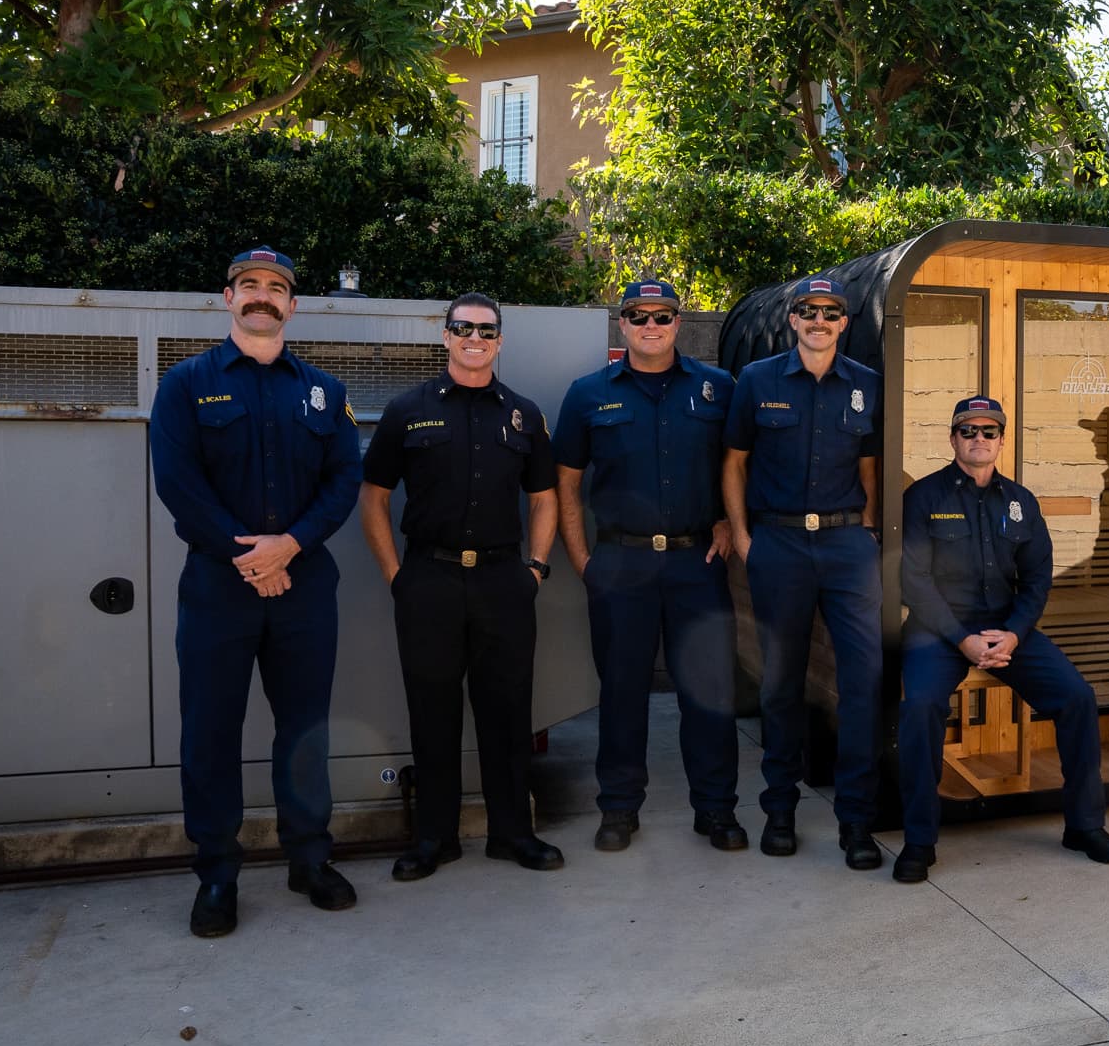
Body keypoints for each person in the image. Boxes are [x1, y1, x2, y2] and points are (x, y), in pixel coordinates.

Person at [148, 247, 362, 938]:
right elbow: (178, 483)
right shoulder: (186, 384)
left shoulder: (325, 391)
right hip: (218, 587)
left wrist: (290, 545)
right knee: (210, 732)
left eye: (276, 288)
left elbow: (343, 482)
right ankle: (216, 872)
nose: (262, 296)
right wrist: (250, 556)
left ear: (292, 305)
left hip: (303, 586)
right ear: (227, 297)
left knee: (304, 728)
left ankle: (309, 859)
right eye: (249, 285)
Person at [359, 293, 563, 881]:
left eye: (487, 330)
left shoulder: (524, 415)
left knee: (507, 712)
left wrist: (536, 567)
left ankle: (512, 835)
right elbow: (373, 498)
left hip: (504, 580)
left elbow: (545, 498)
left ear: (500, 341)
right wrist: (397, 575)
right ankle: (435, 840)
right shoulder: (407, 410)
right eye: (464, 328)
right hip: (429, 579)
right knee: (433, 713)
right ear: (445, 336)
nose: (476, 337)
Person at [893, 397, 1109, 883]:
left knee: (1076, 698)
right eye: (969, 431)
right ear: (953, 438)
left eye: (990, 432)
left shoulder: (1021, 500)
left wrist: (1015, 634)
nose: (980, 439)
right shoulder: (924, 498)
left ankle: (1084, 825)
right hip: (939, 630)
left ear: (1002, 440)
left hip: (1007, 629)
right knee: (919, 707)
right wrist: (962, 640)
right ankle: (919, 839)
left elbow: (1038, 577)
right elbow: (914, 581)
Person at [553, 280, 743, 854]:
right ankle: (618, 809)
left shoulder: (718, 389)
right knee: (622, 692)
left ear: (679, 323)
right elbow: (564, 483)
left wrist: (730, 523)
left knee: (707, 693)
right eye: (639, 316)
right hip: (620, 563)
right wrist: (584, 559)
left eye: (662, 316)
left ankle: (715, 810)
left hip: (697, 562)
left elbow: (741, 465)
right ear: (623, 323)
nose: (651, 326)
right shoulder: (588, 394)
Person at [722, 276, 886, 869]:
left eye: (831, 312)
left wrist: (866, 532)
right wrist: (743, 537)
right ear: (793, 320)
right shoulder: (758, 381)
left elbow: (870, 468)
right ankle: (780, 812)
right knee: (781, 685)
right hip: (780, 545)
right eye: (808, 311)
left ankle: (858, 824)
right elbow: (734, 465)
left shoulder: (867, 386)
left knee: (862, 685)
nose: (819, 319)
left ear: (845, 322)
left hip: (847, 547)